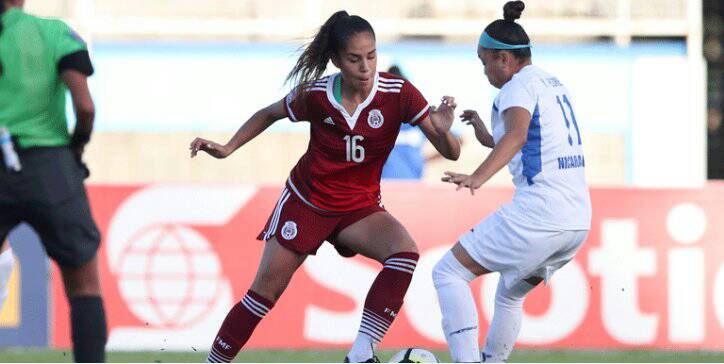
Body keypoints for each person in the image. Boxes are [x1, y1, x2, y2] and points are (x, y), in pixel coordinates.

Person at [190, 10, 460, 363]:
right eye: (354, 59)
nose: (366, 67)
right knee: (264, 294)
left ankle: (360, 354)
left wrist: (442, 129)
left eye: (372, 56)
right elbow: (269, 113)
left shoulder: (398, 93)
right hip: (308, 202)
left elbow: (450, 152)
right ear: (336, 60)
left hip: (358, 207)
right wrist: (227, 148)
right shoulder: (316, 95)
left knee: (404, 254)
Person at [433, 1, 592, 362]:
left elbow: (517, 137)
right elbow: (518, 139)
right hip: (577, 221)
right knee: (509, 294)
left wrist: (478, 177)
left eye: (484, 61)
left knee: (448, 273)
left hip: (540, 215)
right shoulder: (552, 83)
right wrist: (481, 129)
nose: (484, 70)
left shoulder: (517, 86)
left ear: (504, 59)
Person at [0, 0, 106, 361]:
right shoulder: (54, 33)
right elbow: (85, 107)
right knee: (84, 283)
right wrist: (75, 148)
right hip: (51, 165)